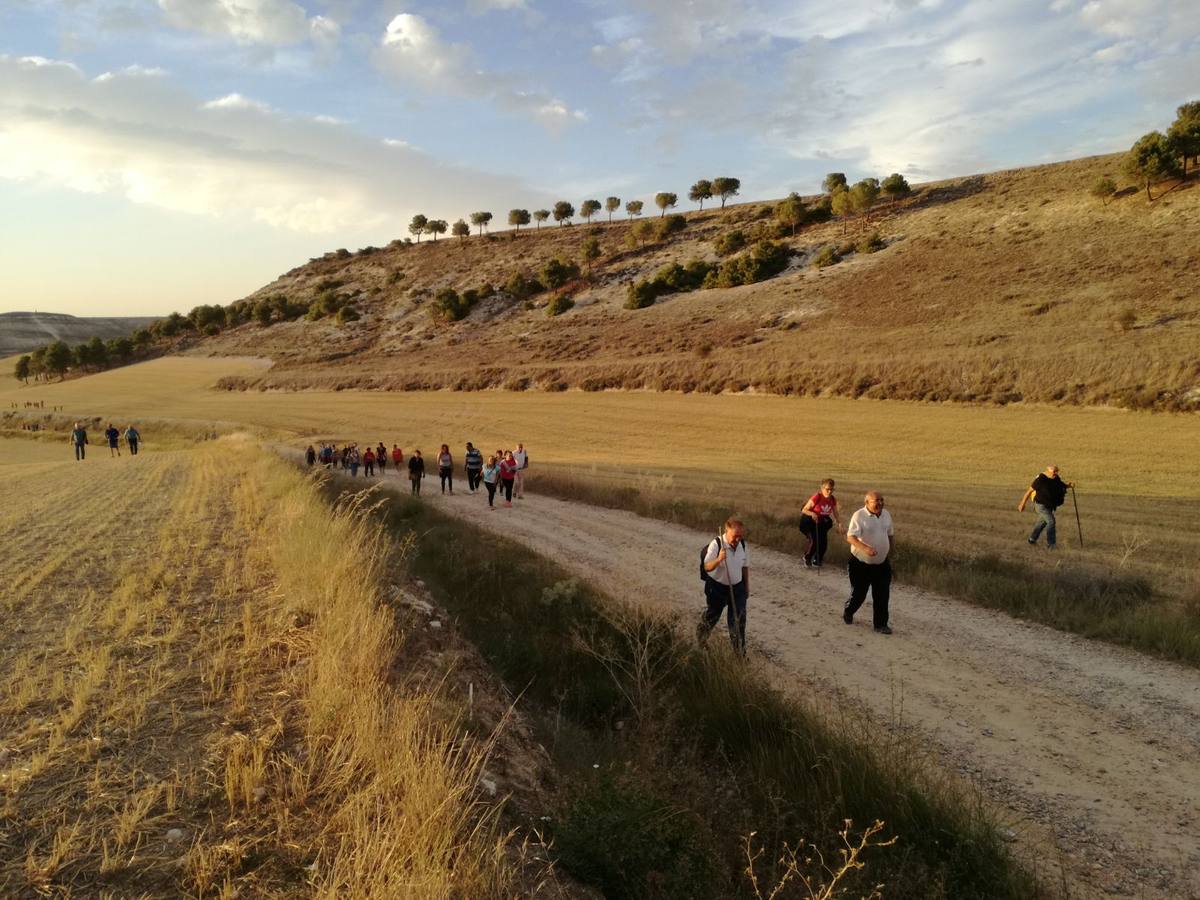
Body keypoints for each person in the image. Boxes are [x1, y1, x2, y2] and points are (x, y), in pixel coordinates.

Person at [843, 491, 894, 634]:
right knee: (859, 594)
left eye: (881, 500)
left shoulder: (886, 515)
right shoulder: (859, 515)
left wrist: (890, 551)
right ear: (867, 503)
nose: (880, 503)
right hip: (860, 564)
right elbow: (851, 537)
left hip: (882, 564)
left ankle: (881, 624)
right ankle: (849, 611)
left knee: (882, 594)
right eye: (876, 501)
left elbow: (890, 534)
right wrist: (865, 548)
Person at [697, 517, 750, 655]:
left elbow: (744, 566)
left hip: (737, 588)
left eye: (740, 536)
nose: (737, 540)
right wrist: (719, 559)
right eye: (734, 536)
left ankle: (740, 654)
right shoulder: (716, 544)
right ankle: (700, 639)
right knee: (713, 615)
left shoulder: (742, 545)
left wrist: (746, 586)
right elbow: (707, 566)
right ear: (726, 531)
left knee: (738, 621)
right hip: (717, 588)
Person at [1019, 464, 1073, 550]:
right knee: (1051, 521)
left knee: (1041, 523)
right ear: (1048, 471)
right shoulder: (1041, 479)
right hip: (1040, 505)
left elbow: (1060, 485)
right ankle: (1051, 545)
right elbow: (1029, 491)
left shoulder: (1056, 478)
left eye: (1056, 471)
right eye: (1054, 471)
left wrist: (1068, 486)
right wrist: (1022, 504)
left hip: (1050, 506)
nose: (1056, 473)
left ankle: (1032, 539)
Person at [799, 478, 841, 568]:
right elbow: (804, 509)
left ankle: (817, 560)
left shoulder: (832, 499)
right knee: (814, 540)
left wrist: (839, 523)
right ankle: (807, 557)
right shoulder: (817, 496)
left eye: (832, 489)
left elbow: (835, 512)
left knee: (823, 543)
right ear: (822, 488)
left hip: (821, 522)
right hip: (808, 522)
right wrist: (812, 513)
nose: (829, 491)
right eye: (827, 489)